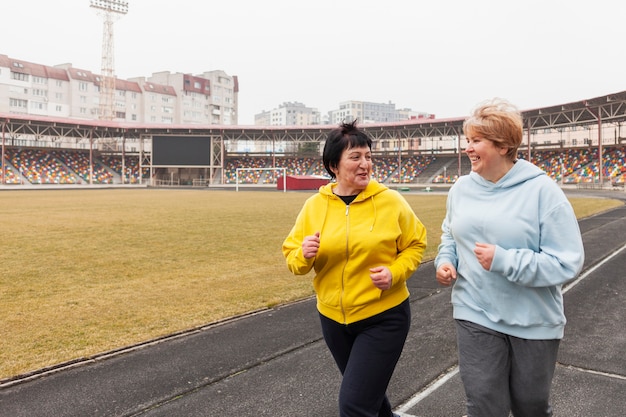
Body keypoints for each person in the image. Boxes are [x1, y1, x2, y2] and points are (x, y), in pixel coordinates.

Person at [435, 98, 585, 417]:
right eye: (468, 140)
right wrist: (446, 261)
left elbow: (567, 261)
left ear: (503, 146)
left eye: (476, 141)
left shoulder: (543, 192)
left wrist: (505, 261)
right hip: (473, 309)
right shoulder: (460, 189)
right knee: (483, 404)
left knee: (529, 407)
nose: (468, 148)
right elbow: (450, 233)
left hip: (533, 320)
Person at [282, 120, 427, 417]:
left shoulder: (390, 201)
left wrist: (394, 273)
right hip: (334, 320)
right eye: (356, 157)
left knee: (355, 405)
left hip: (383, 317)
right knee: (370, 400)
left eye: (368, 156)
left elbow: (416, 244)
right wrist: (304, 254)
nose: (365, 164)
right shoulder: (314, 206)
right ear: (334, 165)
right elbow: (293, 258)